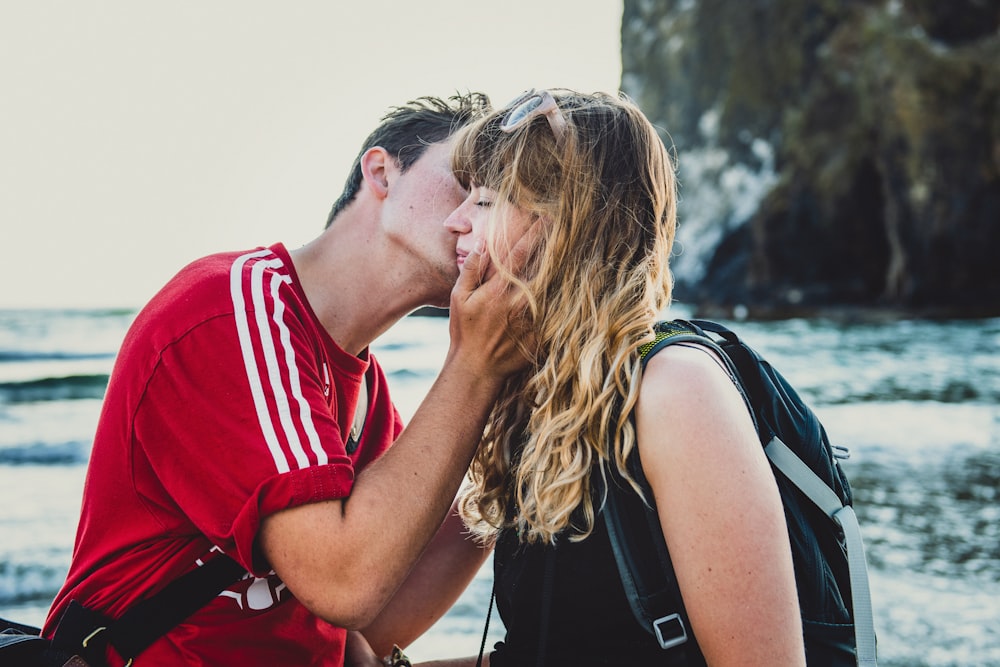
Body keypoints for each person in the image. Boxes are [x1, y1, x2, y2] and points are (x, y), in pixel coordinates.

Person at [42, 92, 533, 667]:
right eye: (469, 179)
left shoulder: (366, 389)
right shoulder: (232, 313)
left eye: (497, 198)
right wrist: (474, 366)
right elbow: (344, 581)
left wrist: (512, 421)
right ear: (382, 172)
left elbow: (376, 620)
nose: (479, 213)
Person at [348, 89, 807, 666]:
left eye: (486, 202)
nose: (455, 220)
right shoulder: (536, 399)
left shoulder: (674, 391)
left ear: (566, 226)